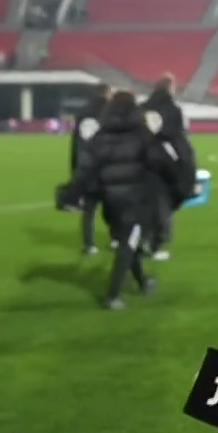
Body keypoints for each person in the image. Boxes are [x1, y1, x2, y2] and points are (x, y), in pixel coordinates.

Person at [56, 91, 173, 309]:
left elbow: (85, 170)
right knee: (128, 244)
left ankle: (143, 281)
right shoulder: (141, 135)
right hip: (135, 200)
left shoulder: (100, 138)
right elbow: (160, 162)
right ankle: (112, 295)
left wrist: (68, 194)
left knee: (129, 240)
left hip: (110, 202)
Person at [140, 72, 197, 260]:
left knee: (145, 203)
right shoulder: (173, 110)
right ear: (170, 88)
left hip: (140, 162)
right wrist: (187, 166)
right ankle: (155, 245)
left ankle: (141, 239)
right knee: (163, 203)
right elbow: (179, 139)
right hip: (164, 163)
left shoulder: (142, 108)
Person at [70, 83, 113, 254]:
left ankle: (88, 244)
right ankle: (115, 240)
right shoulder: (111, 111)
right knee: (113, 206)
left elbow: (75, 144)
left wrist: (75, 168)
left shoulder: (83, 112)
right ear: (107, 93)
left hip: (86, 166)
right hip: (106, 166)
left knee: (88, 209)